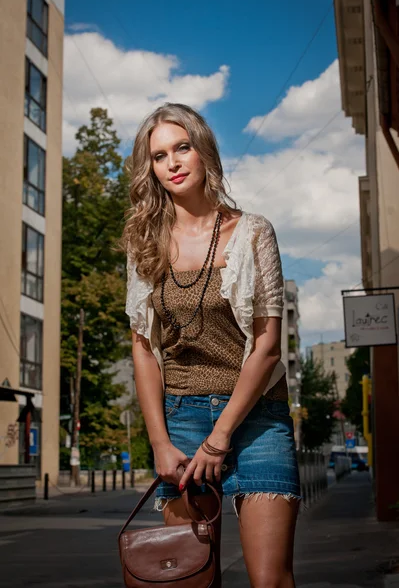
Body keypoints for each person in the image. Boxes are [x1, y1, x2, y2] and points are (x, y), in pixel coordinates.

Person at [122, 103, 301, 588]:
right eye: (160, 156)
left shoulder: (253, 232)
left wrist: (219, 439)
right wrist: (160, 443)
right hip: (182, 420)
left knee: (270, 579)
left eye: (182, 147)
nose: (173, 162)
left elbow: (266, 346)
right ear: (151, 169)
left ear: (204, 152)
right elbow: (143, 347)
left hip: (257, 418)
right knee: (189, 578)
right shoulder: (145, 242)